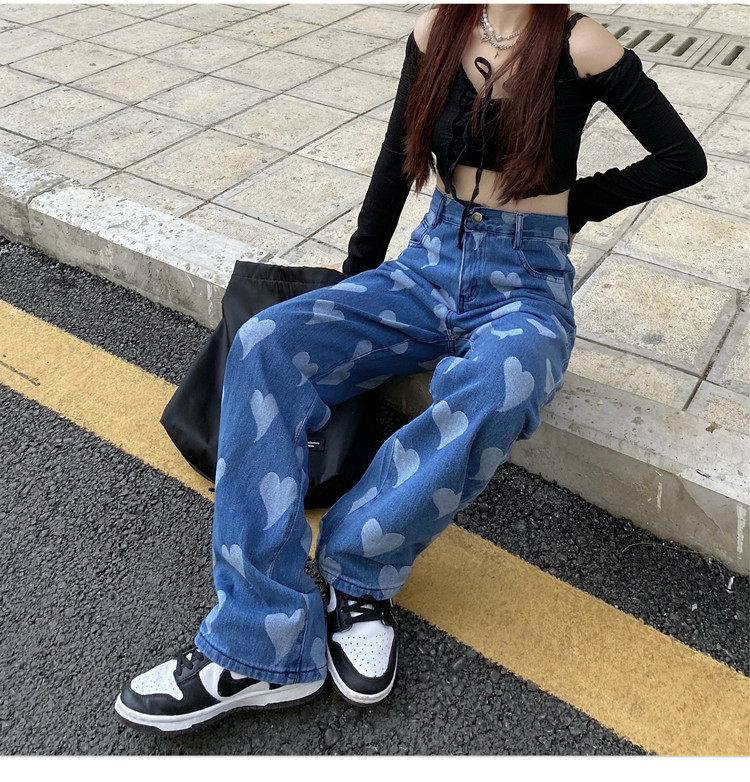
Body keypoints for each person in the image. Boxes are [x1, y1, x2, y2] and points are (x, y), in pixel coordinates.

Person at [114, 4, 707, 733]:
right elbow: (397, 158)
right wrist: (352, 281)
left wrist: (572, 206)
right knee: (268, 340)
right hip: (426, 266)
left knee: (506, 377)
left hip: (524, 284)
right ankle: (259, 641)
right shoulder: (437, 30)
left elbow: (683, 158)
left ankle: (361, 573)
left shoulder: (580, 43)